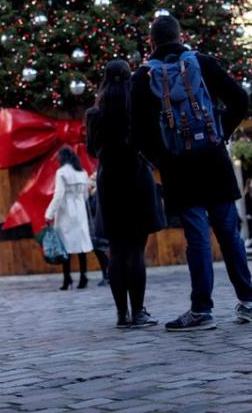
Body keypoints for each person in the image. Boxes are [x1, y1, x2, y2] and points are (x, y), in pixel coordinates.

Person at [131, 15, 252, 331]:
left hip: (178, 169)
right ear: (181, 36)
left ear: (151, 42)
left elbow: (137, 133)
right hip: (214, 162)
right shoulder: (202, 63)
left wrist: (162, 158)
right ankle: (248, 300)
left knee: (197, 238)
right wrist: (220, 132)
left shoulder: (143, 76)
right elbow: (240, 99)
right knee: (229, 234)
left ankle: (202, 310)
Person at [86, 59, 164, 329]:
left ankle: (122, 314)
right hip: (137, 179)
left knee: (117, 251)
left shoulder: (95, 115)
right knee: (136, 250)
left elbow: (90, 149)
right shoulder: (138, 110)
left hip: (110, 182)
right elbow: (153, 142)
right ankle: (139, 311)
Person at [44, 146, 94, 291]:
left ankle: (67, 279)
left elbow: (58, 195)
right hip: (80, 210)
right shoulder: (82, 172)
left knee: (64, 246)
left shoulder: (61, 172)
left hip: (66, 211)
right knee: (81, 246)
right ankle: (83, 277)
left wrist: (49, 213)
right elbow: (85, 195)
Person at [86, 181, 111, 287]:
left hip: (99, 231)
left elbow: (93, 210)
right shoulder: (92, 195)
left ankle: (108, 276)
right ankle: (106, 275)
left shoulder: (96, 195)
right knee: (100, 254)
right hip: (95, 231)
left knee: (102, 253)